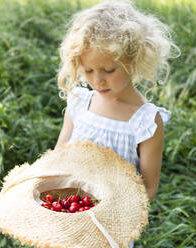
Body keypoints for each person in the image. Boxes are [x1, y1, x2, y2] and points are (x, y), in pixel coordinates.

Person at [54, 1, 179, 247]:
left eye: (108, 70)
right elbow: (59, 155)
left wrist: (107, 211)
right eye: (88, 70)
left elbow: (148, 188)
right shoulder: (80, 102)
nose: (97, 80)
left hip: (111, 226)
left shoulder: (145, 122)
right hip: (69, 214)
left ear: (132, 61)